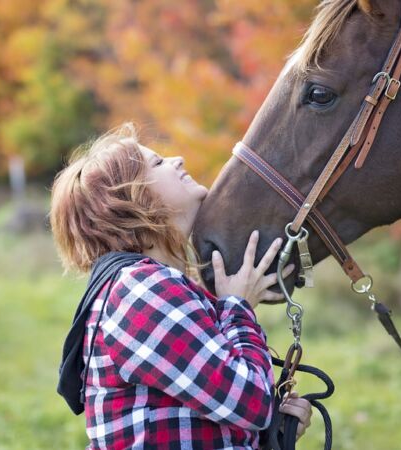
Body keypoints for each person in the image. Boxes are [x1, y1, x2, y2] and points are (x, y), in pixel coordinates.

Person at [50, 123, 313, 449]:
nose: (177, 160)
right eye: (158, 163)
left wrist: (271, 433)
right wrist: (237, 306)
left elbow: (203, 416)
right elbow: (252, 403)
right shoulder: (143, 292)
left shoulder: (154, 287)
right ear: (129, 200)